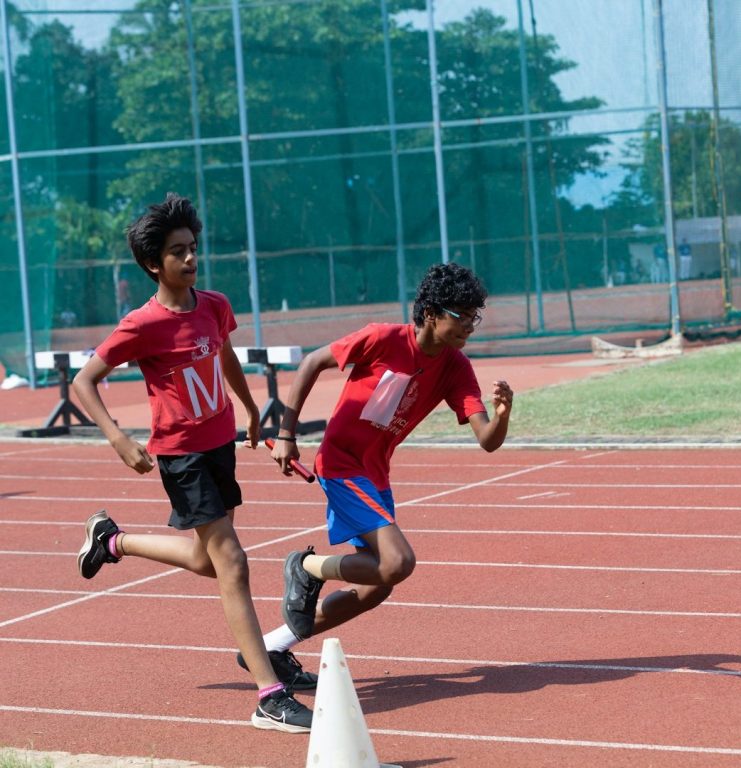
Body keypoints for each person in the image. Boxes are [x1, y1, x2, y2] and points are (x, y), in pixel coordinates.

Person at [71, 193, 312, 734]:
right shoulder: (141, 324)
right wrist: (117, 438)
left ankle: (113, 541)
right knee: (233, 563)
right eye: (177, 251)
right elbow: (84, 382)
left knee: (210, 562)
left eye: (193, 248)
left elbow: (224, 355)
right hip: (181, 457)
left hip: (220, 445)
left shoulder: (215, 305)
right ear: (153, 264)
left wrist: (251, 409)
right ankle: (269, 694)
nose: (190, 258)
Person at [236, 262, 513, 676]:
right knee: (398, 562)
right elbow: (311, 362)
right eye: (462, 316)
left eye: (475, 317)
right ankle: (306, 566)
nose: (470, 326)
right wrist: (287, 434)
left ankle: (271, 648)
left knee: (378, 586)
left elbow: (487, 439)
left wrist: (503, 414)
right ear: (431, 313)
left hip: (375, 473)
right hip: (340, 464)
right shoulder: (382, 338)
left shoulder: (456, 367)